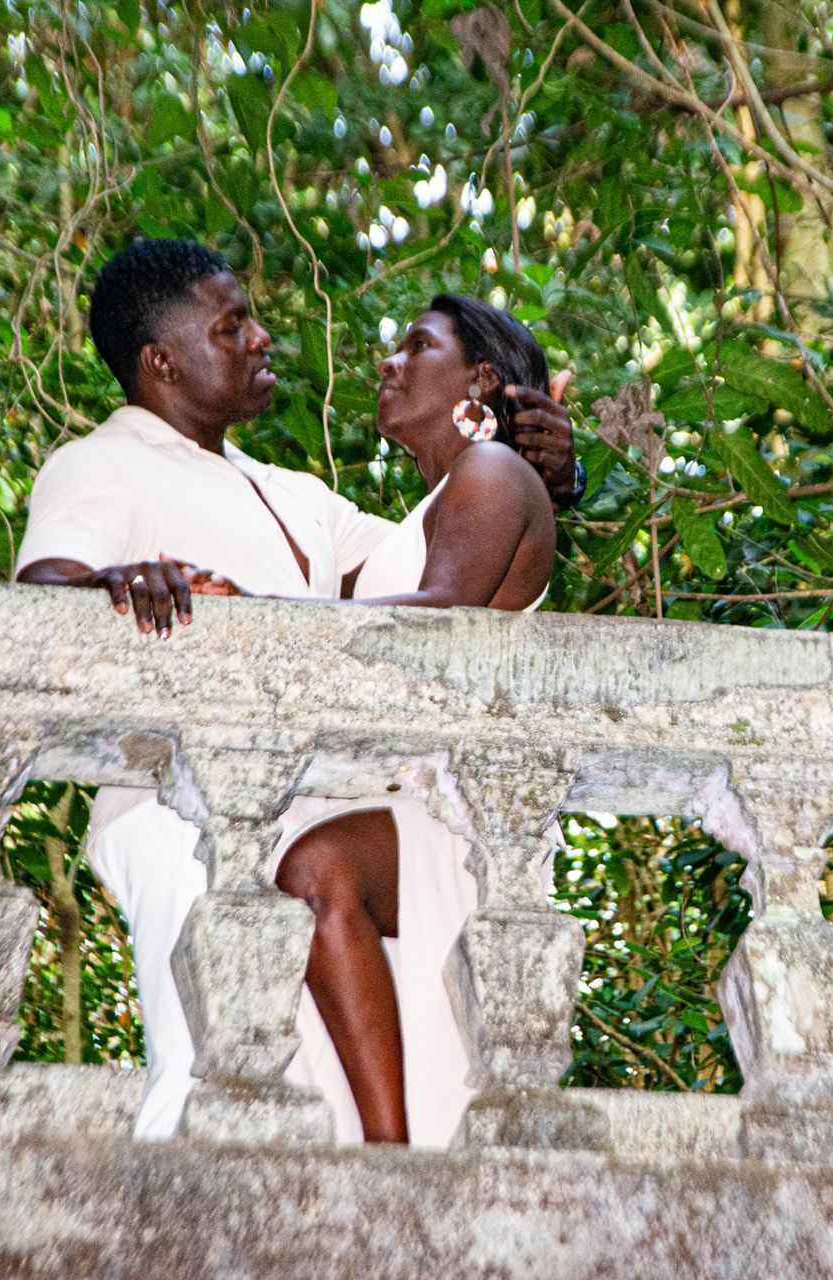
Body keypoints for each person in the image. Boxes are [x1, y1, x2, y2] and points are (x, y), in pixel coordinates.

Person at [12, 239, 578, 1140]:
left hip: (313, 809)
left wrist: (548, 472)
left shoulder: (298, 494)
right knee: (206, 1065)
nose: (262, 337)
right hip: (178, 806)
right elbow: (37, 600)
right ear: (161, 361)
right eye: (233, 325)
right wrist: (114, 580)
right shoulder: (99, 463)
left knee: (314, 1091)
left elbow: (433, 583)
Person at [271, 295, 557, 1147]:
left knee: (317, 869)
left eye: (416, 345)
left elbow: (432, 621)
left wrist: (265, 624)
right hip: (393, 793)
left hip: (452, 814)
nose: (388, 363)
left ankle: (391, 1159)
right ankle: (369, 1143)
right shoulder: (432, 503)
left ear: (480, 378)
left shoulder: (496, 473)